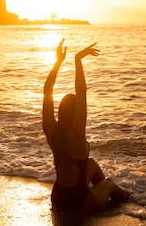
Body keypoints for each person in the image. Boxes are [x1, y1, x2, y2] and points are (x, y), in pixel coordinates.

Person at [43, 39, 131, 213]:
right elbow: (81, 91)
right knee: (111, 183)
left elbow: (48, 90)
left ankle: (102, 191)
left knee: (90, 163)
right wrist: (78, 60)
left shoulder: (51, 130)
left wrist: (58, 62)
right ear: (76, 113)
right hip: (81, 202)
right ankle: (133, 199)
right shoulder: (76, 133)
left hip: (58, 198)